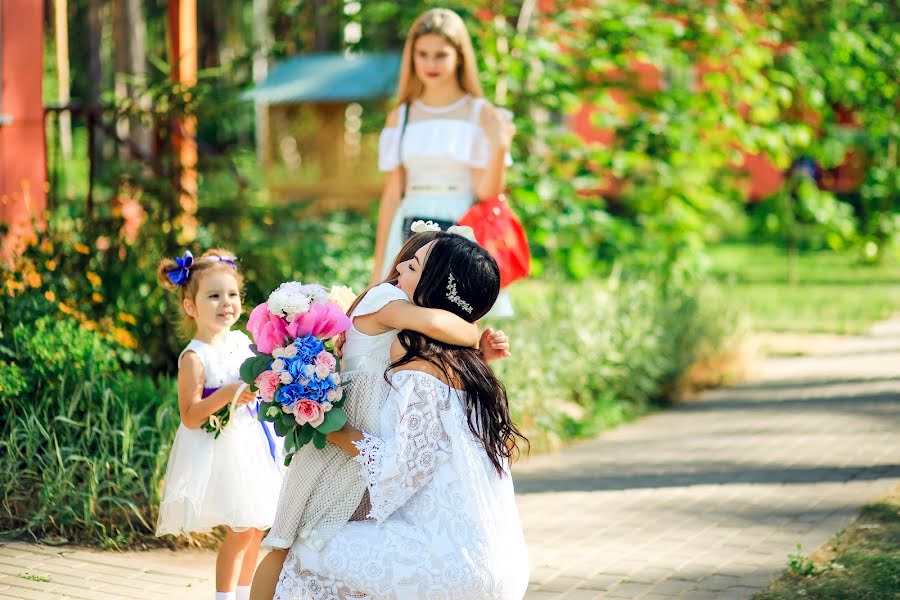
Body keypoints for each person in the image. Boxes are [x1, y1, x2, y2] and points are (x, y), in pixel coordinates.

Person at [249, 228, 510, 600]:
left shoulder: (404, 321)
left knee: (332, 534)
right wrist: (473, 332)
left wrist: (479, 355)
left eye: (415, 264)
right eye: (410, 260)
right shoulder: (385, 298)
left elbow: (432, 369)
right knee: (293, 537)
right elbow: (437, 326)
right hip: (339, 437)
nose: (402, 265)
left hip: (363, 439)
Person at [156, 248, 284, 600]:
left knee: (256, 527)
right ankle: (225, 596)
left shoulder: (242, 341)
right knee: (241, 528)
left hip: (252, 440)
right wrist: (229, 393)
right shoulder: (195, 357)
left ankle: (244, 593)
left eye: (231, 294)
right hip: (222, 448)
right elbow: (191, 415)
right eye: (213, 296)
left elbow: (253, 383)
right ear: (191, 306)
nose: (225, 302)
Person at [372, 8, 516, 316]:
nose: (430, 63)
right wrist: (377, 268)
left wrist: (500, 148)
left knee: (460, 318)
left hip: (461, 221)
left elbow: (487, 192)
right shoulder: (402, 114)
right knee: (405, 315)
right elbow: (391, 195)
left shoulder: (480, 112)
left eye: (441, 54)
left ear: (460, 55)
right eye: (422, 54)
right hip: (408, 219)